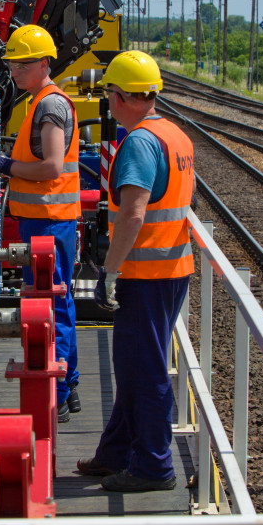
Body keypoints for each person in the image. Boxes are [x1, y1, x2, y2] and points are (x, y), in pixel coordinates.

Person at [76, 51, 194, 492]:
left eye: (109, 93)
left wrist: (108, 271)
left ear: (120, 96)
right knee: (131, 364)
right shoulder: (174, 135)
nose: (108, 101)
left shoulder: (140, 143)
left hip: (146, 276)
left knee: (143, 369)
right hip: (172, 268)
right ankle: (117, 452)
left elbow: (132, 214)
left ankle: (154, 466)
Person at [0, 25, 81, 422]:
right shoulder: (39, 100)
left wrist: (8, 166)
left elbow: (52, 166)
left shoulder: (50, 106)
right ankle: (69, 383)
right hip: (45, 221)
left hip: (48, 222)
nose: (14, 71)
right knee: (58, 303)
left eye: (23, 64)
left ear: (44, 63)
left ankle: (56, 391)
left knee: (50, 306)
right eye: (11, 64)